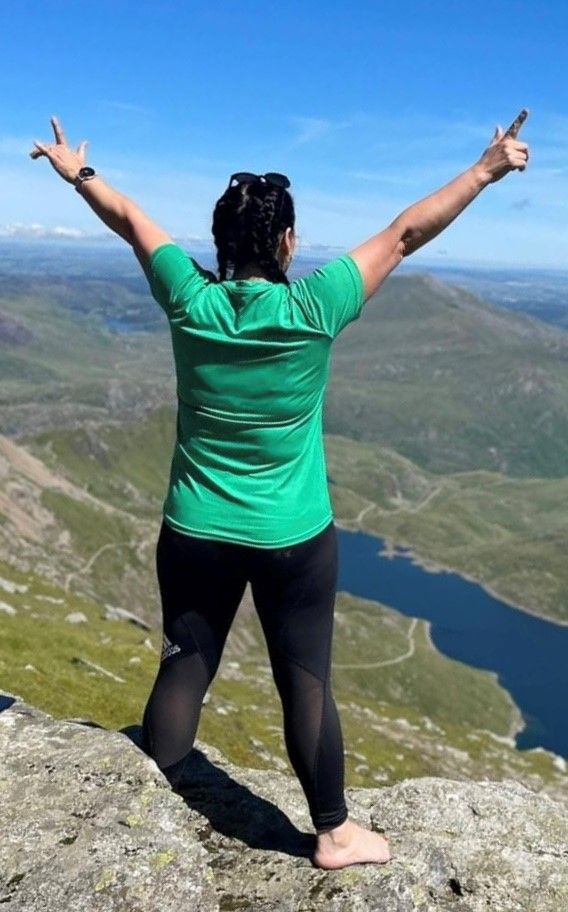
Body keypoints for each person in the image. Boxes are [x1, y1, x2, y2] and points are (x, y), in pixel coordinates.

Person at [31, 113, 529, 870]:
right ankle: (333, 833)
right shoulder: (314, 306)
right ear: (288, 243)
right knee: (304, 682)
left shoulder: (189, 302)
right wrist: (485, 170)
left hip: (194, 528)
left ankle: (150, 780)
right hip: (293, 538)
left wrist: (79, 175)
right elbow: (404, 234)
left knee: (184, 662)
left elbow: (131, 221)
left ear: (219, 244)